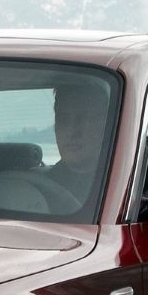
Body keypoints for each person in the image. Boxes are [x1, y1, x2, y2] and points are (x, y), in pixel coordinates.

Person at [46, 80, 110, 208]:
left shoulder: (125, 185)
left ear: (105, 125)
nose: (72, 131)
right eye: (64, 119)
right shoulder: (39, 187)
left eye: (83, 118)